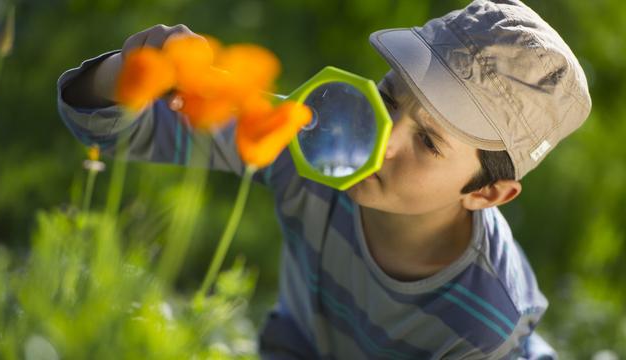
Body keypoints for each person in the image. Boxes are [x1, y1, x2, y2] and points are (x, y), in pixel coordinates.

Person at [57, 0, 591, 358]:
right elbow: (106, 129)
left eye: (429, 142)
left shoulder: (483, 322)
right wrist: (135, 70)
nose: (381, 137)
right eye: (387, 99)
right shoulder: (311, 141)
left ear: (487, 193)